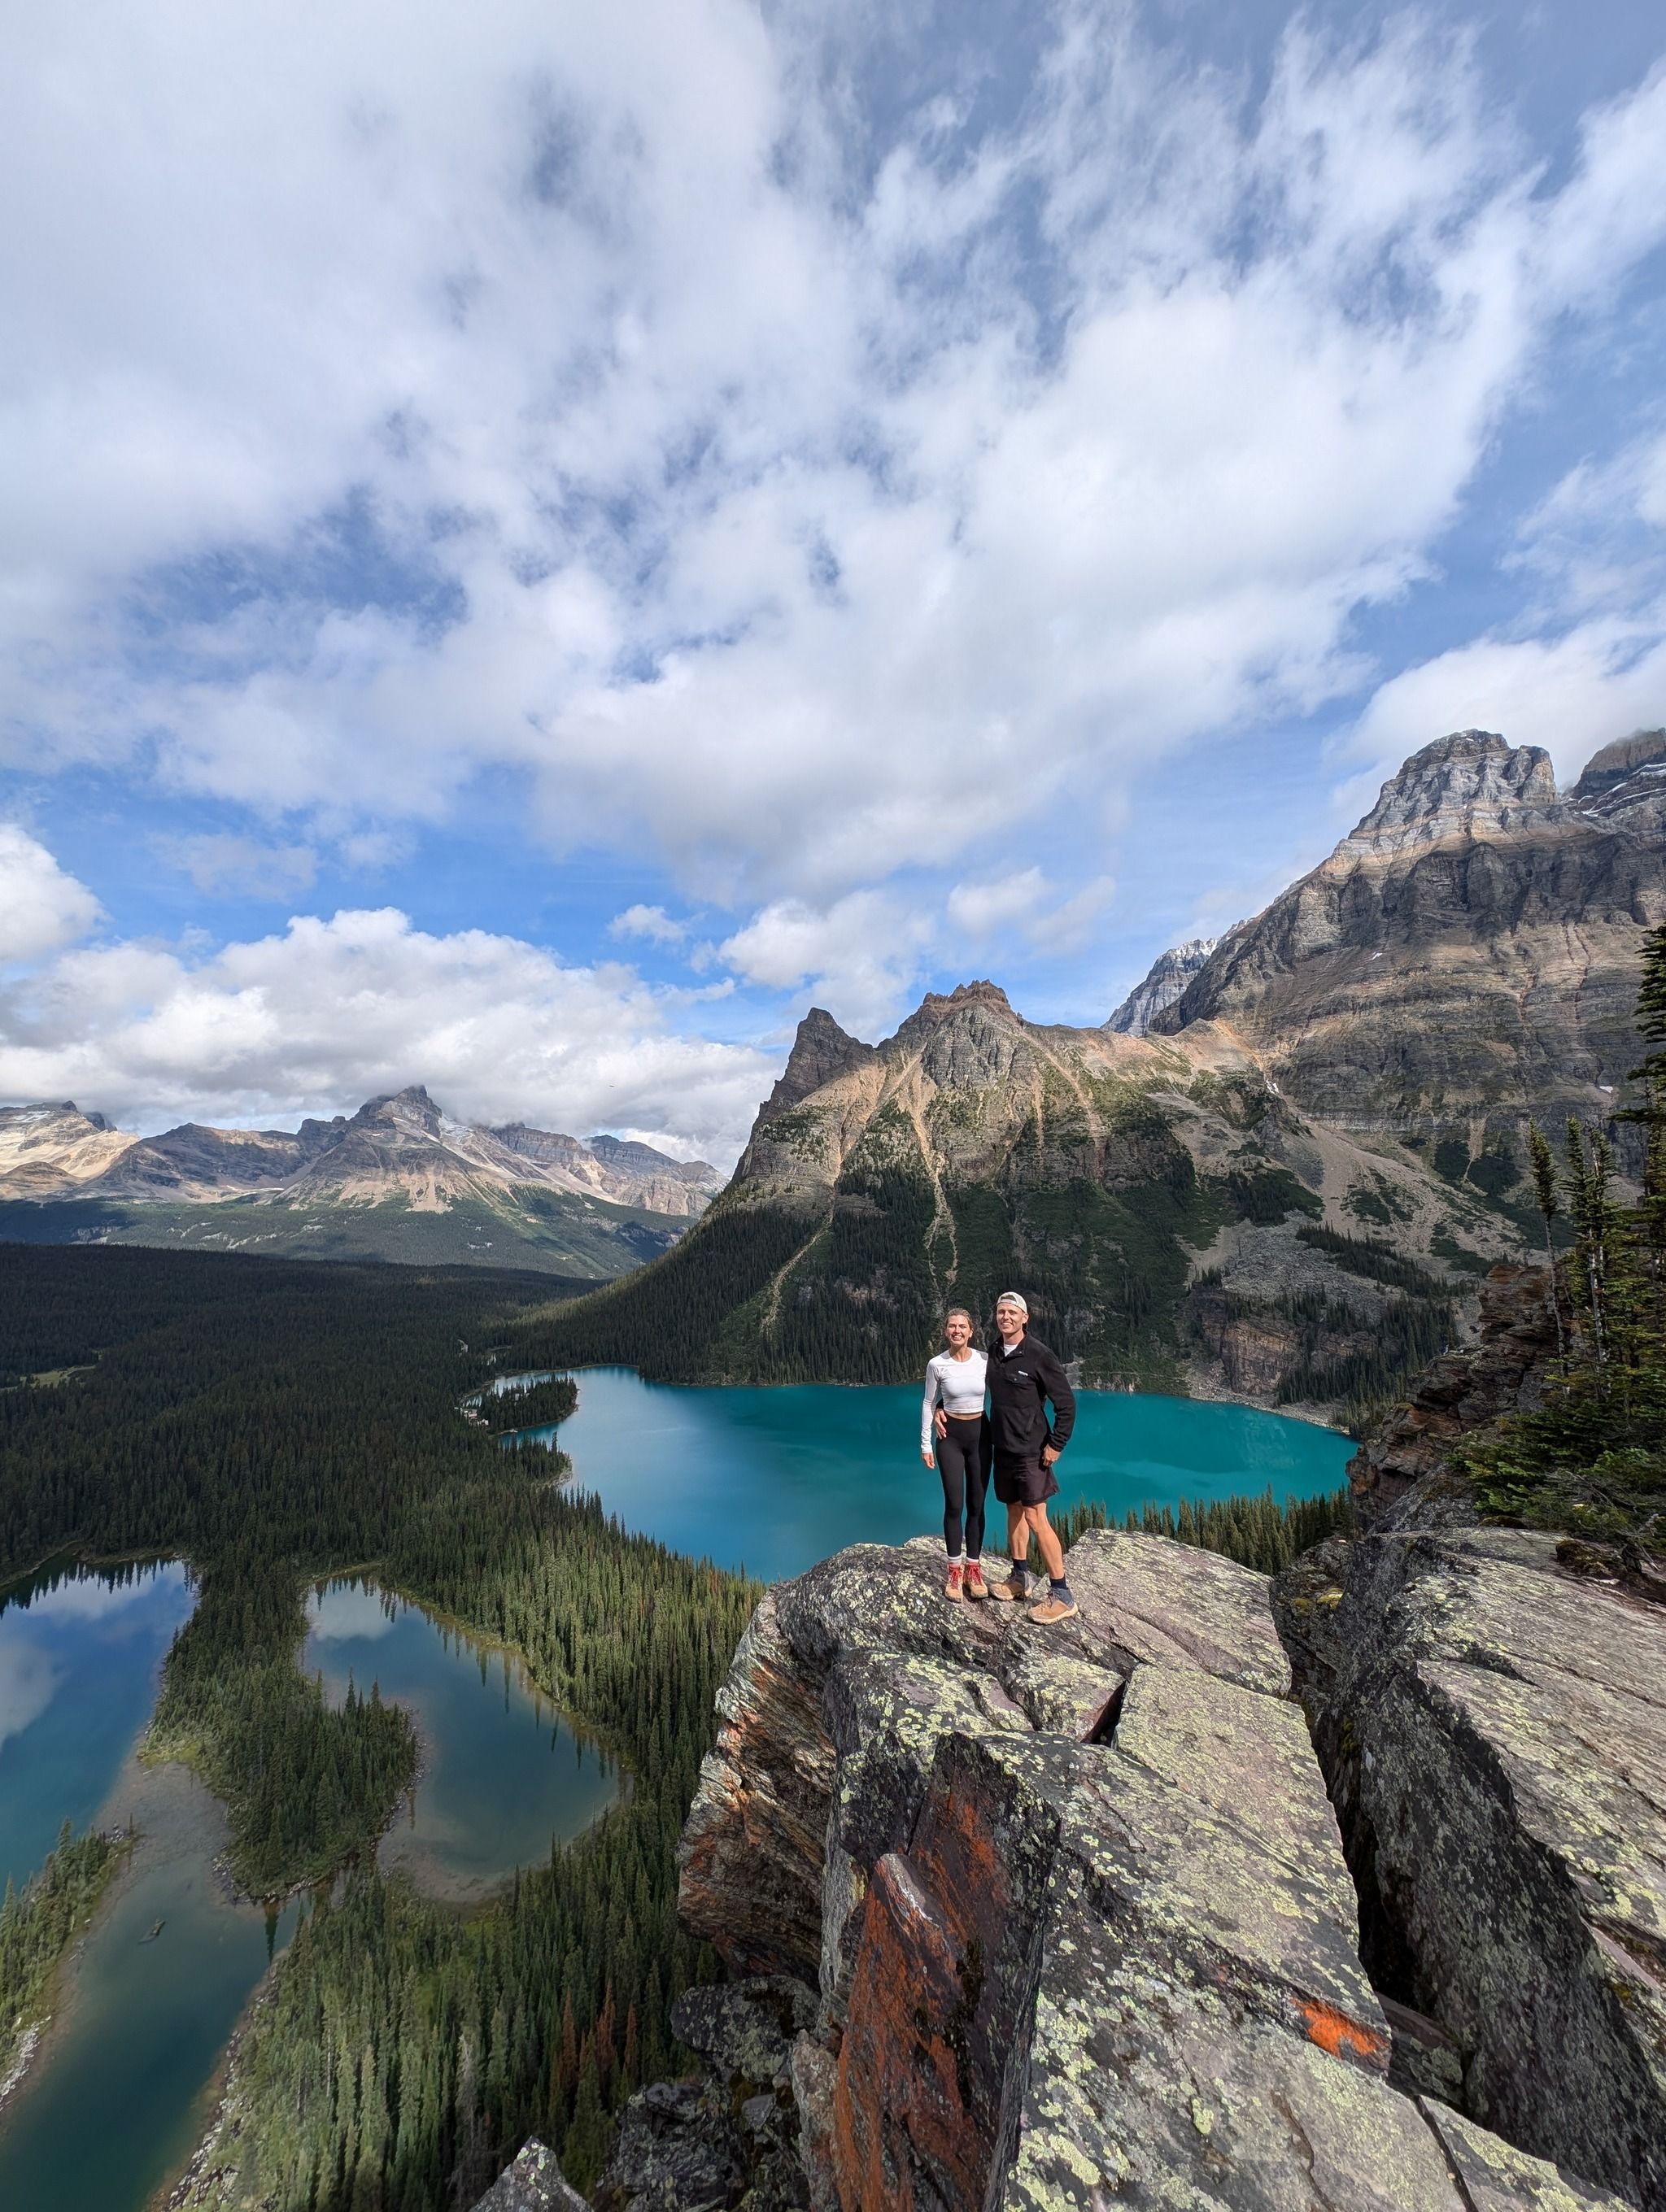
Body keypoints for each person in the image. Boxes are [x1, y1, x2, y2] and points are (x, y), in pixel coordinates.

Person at [983, 1291, 1078, 1622]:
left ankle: (1062, 1594)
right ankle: (1019, 1577)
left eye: (1013, 1312)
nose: (1005, 1317)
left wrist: (1056, 1444)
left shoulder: (1039, 1355)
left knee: (1037, 1518)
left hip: (1032, 1453)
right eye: (1001, 1312)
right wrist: (939, 1407)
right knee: (1013, 1512)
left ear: (1025, 1318)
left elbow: (1066, 1404)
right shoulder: (994, 1352)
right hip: (1004, 1450)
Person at [921, 1308, 991, 1600]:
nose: (957, 1331)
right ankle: (954, 1571)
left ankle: (973, 1569)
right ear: (946, 1331)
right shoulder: (937, 1364)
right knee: (954, 1504)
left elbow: (1008, 1393)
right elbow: (928, 1402)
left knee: (977, 1504)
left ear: (971, 1331)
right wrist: (926, 1442)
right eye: (952, 1326)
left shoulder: (985, 1360)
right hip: (949, 1438)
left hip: (981, 1436)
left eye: (963, 1326)